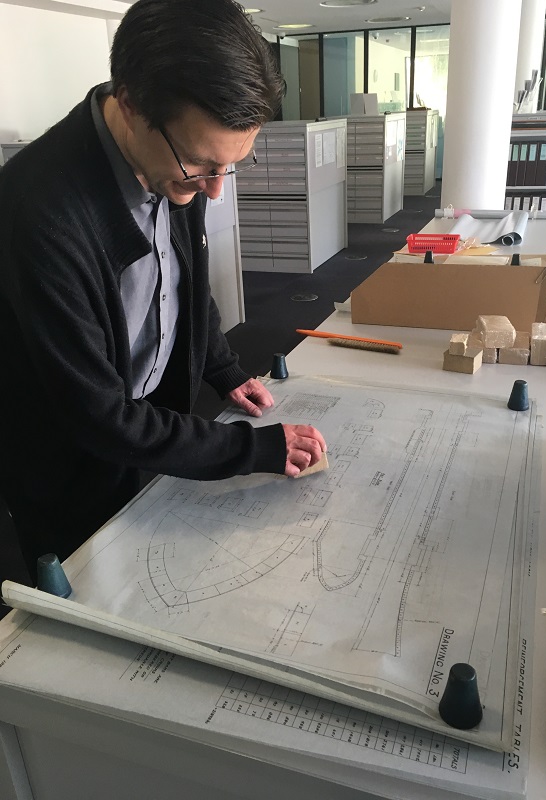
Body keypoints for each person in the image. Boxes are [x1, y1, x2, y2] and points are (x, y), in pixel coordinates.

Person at [0, 0, 326, 582]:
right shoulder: (40, 214)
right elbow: (99, 417)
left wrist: (224, 369)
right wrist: (254, 451)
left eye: (233, 166)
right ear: (130, 105)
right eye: (202, 166)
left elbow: (183, 280)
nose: (216, 191)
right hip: (71, 466)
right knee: (104, 623)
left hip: (148, 430)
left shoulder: (171, 165)